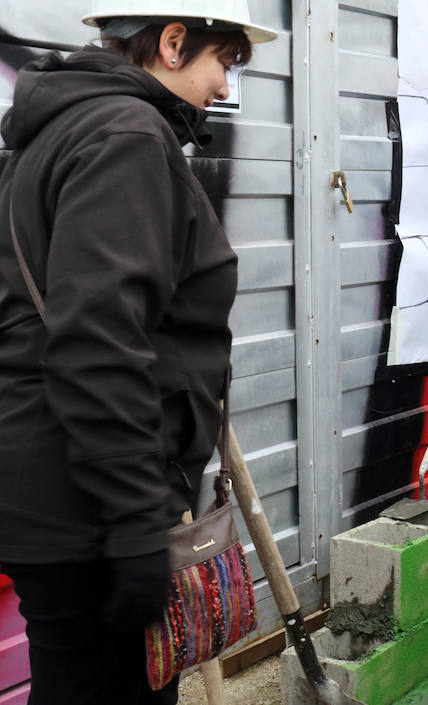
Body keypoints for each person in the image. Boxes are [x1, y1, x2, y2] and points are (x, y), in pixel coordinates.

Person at [0, 3, 275, 704]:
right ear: (175, 42)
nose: (224, 86)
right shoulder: (126, 136)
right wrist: (133, 525)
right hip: (85, 511)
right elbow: (98, 343)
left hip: (55, 492)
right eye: (226, 62)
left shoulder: (61, 127)